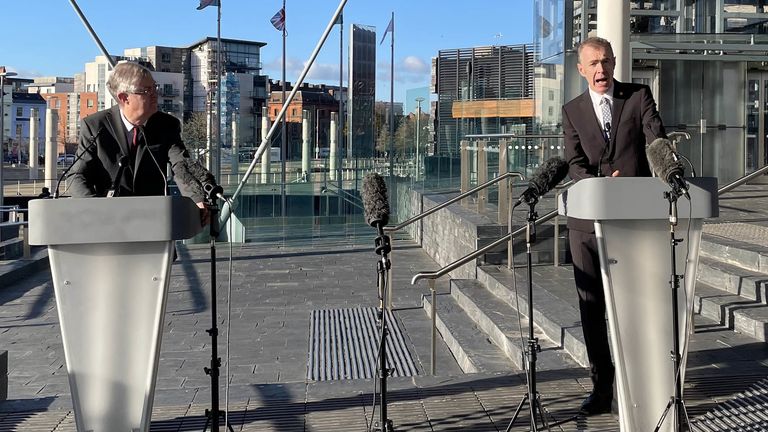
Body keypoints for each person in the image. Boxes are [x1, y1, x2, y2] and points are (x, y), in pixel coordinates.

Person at [562, 36, 666, 416]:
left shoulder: (639, 97)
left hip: (633, 218)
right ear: (581, 69)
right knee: (591, 308)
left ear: (615, 61)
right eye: (593, 64)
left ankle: (640, 384)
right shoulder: (572, 110)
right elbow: (574, 163)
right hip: (586, 223)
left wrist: (665, 164)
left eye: (606, 61)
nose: (601, 70)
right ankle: (601, 387)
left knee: (635, 304)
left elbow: (657, 139)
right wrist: (595, 185)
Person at [68, 61, 214, 225]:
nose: (154, 95)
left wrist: (196, 198)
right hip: (109, 223)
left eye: (154, 88)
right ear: (124, 98)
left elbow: (180, 164)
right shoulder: (95, 126)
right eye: (146, 91)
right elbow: (76, 176)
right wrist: (95, 209)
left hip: (154, 222)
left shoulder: (167, 124)